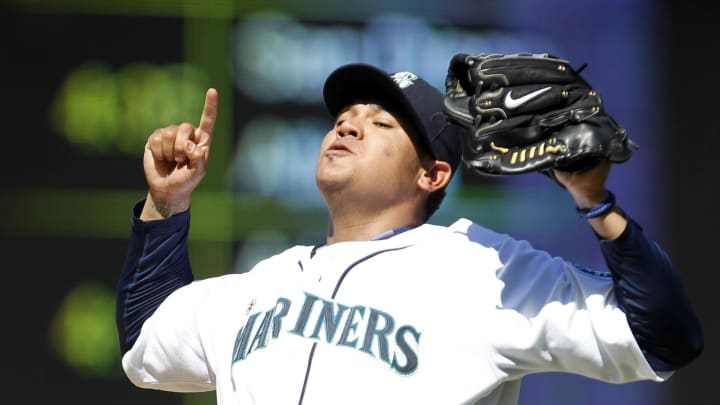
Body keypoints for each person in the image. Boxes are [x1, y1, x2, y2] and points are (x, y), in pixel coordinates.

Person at [116, 63, 703, 405]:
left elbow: (663, 339)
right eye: (344, 118)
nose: (348, 127)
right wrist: (167, 205)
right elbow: (146, 341)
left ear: (432, 173)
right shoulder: (260, 285)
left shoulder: (482, 268)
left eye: (381, 123)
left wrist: (594, 201)